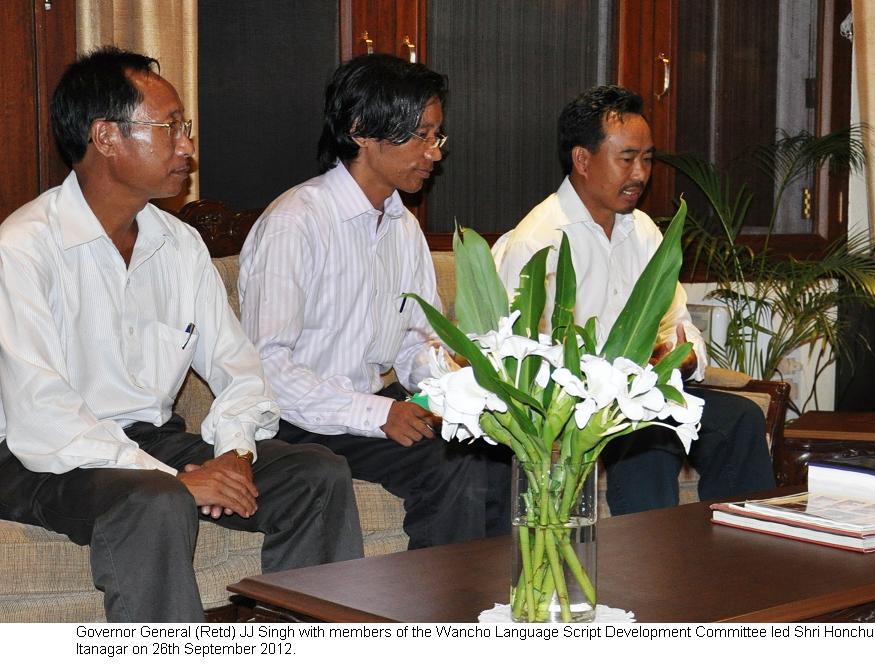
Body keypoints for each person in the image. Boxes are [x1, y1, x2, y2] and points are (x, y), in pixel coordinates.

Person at [0, 47, 363, 622]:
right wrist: (177, 478)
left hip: (151, 441)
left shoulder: (180, 243)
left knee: (314, 473)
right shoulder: (22, 248)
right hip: (42, 460)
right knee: (157, 499)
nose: (188, 146)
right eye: (170, 128)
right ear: (105, 136)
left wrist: (237, 454)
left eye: (184, 128)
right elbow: (43, 417)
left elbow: (238, 367)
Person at [238, 53, 510, 549]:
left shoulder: (403, 226)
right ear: (362, 130)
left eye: (436, 136)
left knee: (496, 451)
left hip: (367, 406)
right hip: (295, 423)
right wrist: (377, 414)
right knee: (452, 469)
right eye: (420, 135)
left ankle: (491, 609)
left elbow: (415, 345)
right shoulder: (295, 222)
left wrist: (463, 389)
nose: (434, 153)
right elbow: (266, 368)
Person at [491, 85, 775, 515]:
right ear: (582, 160)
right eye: (627, 159)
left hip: (644, 392)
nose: (641, 174)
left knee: (740, 419)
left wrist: (685, 357)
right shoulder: (539, 240)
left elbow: (679, 323)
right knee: (649, 438)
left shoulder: (643, 231)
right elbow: (517, 359)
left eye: (647, 159)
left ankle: (739, 561)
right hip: (575, 407)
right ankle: (647, 572)